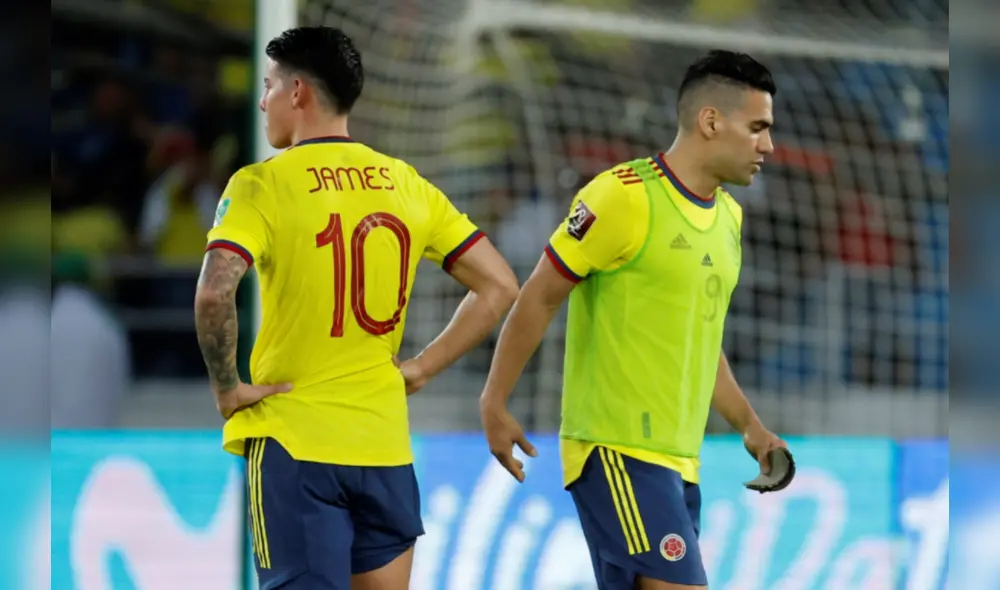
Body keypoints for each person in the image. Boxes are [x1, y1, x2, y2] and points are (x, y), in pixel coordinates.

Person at [194, 26, 519, 590]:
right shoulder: (407, 184)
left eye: (268, 85)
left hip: (297, 445)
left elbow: (214, 292)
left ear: (298, 93)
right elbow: (499, 285)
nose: (262, 100)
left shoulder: (260, 185)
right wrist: (421, 366)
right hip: (384, 449)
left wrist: (228, 387)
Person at [479, 50, 789, 590]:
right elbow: (540, 297)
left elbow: (698, 335)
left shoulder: (730, 218)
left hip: (678, 463)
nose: (768, 145)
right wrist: (495, 399)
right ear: (710, 121)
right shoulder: (622, 196)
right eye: (757, 128)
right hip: (617, 451)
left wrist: (749, 424)